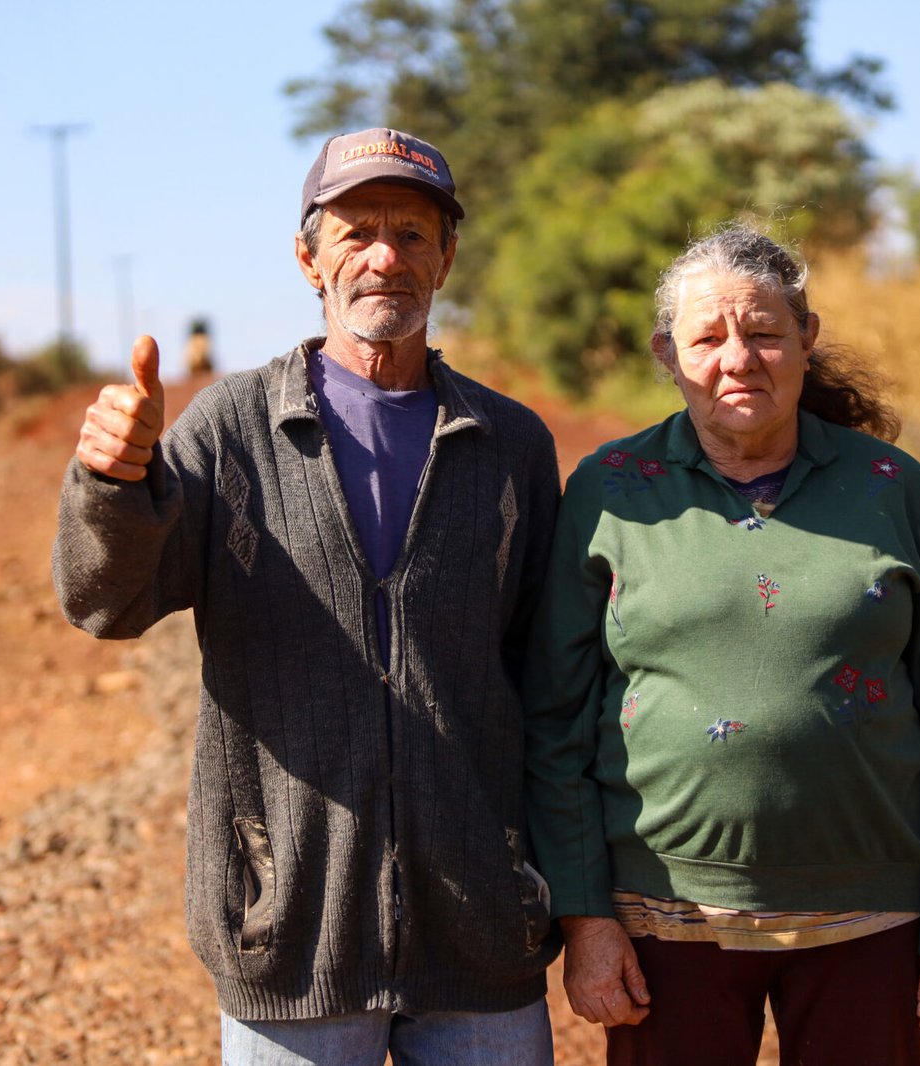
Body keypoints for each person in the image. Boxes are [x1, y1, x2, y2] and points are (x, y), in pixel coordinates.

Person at [53, 127, 562, 1065]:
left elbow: (548, 678)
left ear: (446, 259)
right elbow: (106, 603)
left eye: (412, 234)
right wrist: (114, 485)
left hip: (480, 934)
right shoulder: (230, 429)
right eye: (356, 231)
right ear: (307, 257)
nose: (384, 257)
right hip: (290, 929)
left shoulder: (510, 444)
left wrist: (556, 882)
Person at [523, 224, 920, 1065]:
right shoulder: (610, 492)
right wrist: (587, 919)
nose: (738, 358)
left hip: (871, 917)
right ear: (668, 355)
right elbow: (555, 722)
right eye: (708, 338)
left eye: (766, 333)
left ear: (806, 339)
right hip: (664, 918)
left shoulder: (893, 488)